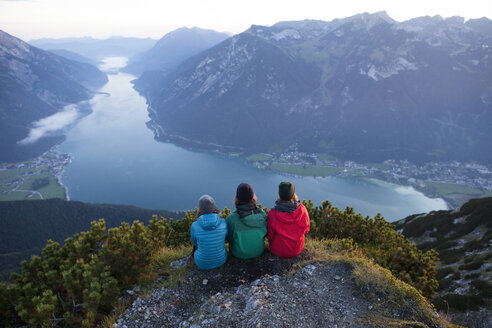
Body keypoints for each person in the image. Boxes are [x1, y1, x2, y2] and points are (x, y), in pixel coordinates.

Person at [267, 182, 310, 258]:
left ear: (280, 194)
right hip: (297, 249)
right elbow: (306, 229)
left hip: (277, 250)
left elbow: (270, 236)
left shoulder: (273, 213)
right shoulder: (302, 209)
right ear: (293, 194)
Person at [226, 183, 267, 259]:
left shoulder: (231, 219)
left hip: (238, 253)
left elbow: (229, 239)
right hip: (258, 251)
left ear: (237, 198)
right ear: (253, 197)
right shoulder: (262, 215)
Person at [190, 194, 228, 270]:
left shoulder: (194, 225)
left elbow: (194, 242)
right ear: (214, 207)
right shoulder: (223, 223)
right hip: (221, 260)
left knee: (198, 243)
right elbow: (226, 238)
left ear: (200, 209)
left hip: (202, 263)